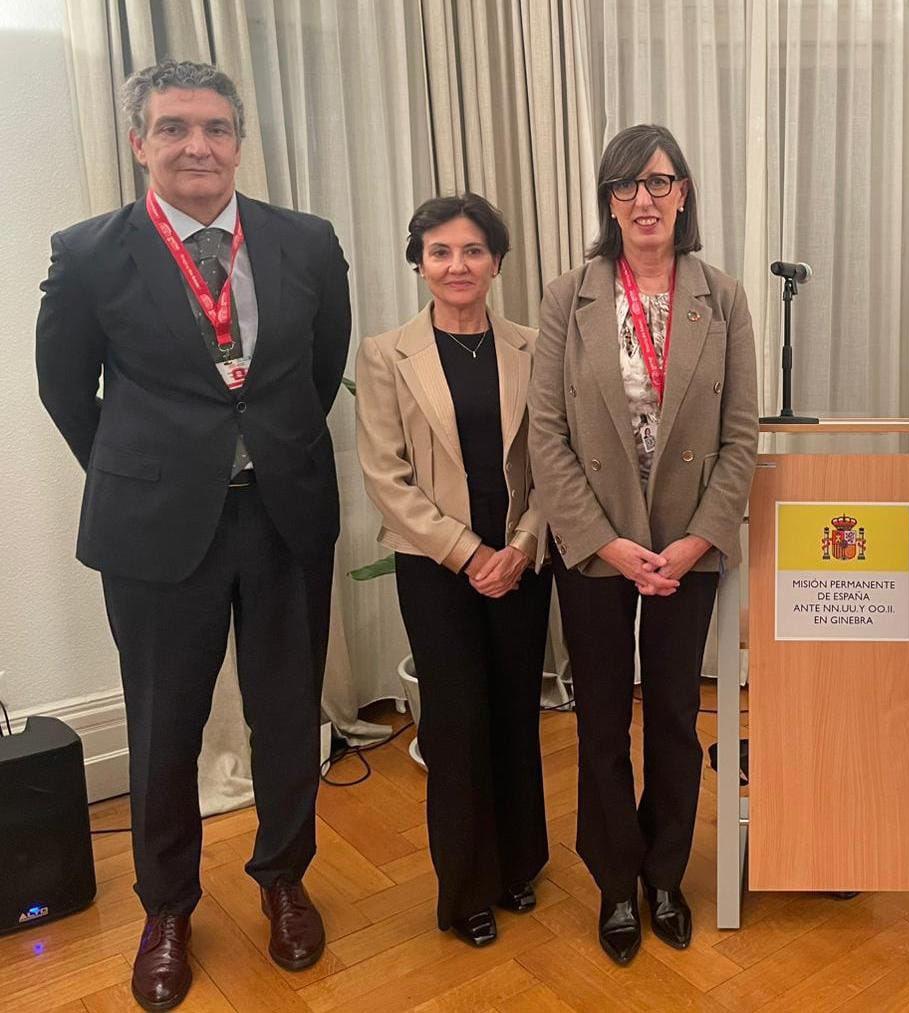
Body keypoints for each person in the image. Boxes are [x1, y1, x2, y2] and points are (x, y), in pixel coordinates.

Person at [35, 60, 350, 1009]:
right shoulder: (90, 253)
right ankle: (168, 906)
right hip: (157, 532)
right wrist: (152, 473)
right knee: (164, 724)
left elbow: (318, 368)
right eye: (173, 128)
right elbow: (65, 388)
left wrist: (258, 451)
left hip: (285, 512)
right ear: (141, 143)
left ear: (240, 140)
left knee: (288, 711)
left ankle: (284, 875)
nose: (196, 145)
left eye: (214, 127)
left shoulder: (306, 241)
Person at [529, 123, 758, 966]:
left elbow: (741, 438)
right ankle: (615, 880)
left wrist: (700, 537)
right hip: (597, 544)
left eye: (659, 182)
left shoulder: (722, 296)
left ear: (684, 192)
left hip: (687, 546)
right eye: (626, 186)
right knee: (598, 719)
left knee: (670, 712)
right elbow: (547, 436)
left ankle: (665, 873)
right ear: (608, 202)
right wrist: (605, 541)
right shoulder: (570, 295)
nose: (644, 200)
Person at [354, 194, 551, 948]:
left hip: (521, 562)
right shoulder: (385, 354)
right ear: (419, 262)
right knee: (457, 721)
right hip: (438, 570)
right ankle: (465, 885)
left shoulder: (533, 348)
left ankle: (517, 865)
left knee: (513, 713)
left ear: (496, 262)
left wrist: (524, 544)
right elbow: (385, 475)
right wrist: (470, 554)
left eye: (473, 250)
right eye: (440, 251)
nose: (457, 265)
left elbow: (548, 467)